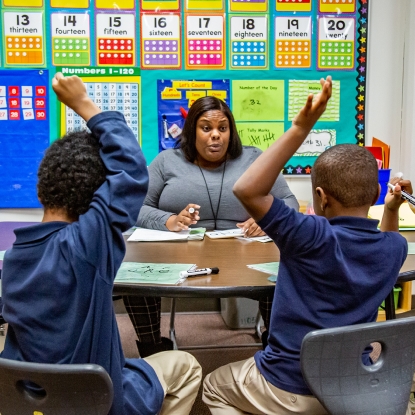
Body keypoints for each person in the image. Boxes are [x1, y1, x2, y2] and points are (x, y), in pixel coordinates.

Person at [202, 76, 411, 414]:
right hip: (351, 386)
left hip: (288, 386)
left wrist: (302, 126)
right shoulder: (393, 250)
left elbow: (247, 190)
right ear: (375, 194)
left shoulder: (309, 235)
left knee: (214, 386)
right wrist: (391, 208)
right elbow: (389, 237)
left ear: (320, 198)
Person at [0, 73, 202, 415]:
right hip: (99, 399)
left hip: (31, 397)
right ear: (97, 199)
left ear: (42, 188)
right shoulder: (86, 246)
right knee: (185, 365)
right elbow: (131, 169)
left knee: (130, 364)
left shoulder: (15, 256)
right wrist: (84, 105)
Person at [123, 96, 299, 357]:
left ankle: (274, 347)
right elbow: (134, 207)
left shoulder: (253, 158)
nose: (215, 136)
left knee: (284, 270)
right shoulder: (166, 161)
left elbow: (290, 202)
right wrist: (168, 220)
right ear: (192, 130)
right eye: (206, 128)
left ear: (231, 131)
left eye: (222, 128)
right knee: (135, 276)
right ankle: (152, 347)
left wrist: (266, 219)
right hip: (177, 254)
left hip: (248, 254)